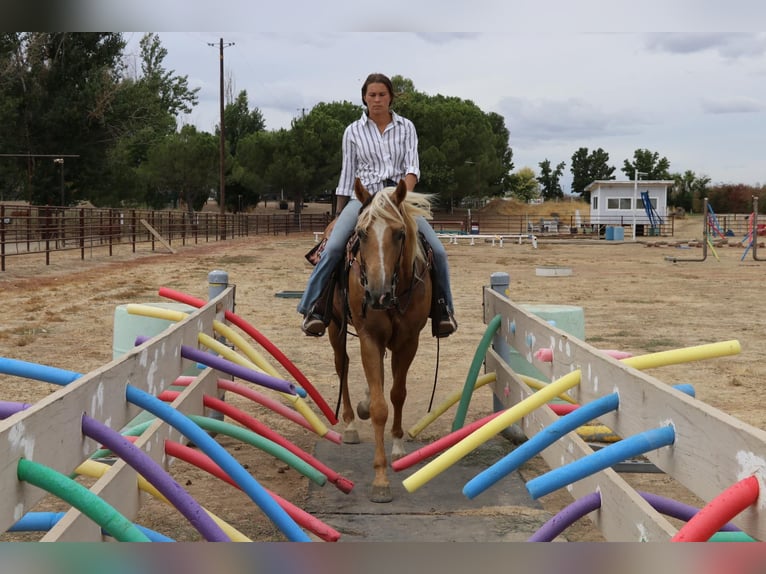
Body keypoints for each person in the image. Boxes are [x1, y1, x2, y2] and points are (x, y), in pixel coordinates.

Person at [297, 72, 458, 338]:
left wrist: (400, 195)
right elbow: (347, 175)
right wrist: (339, 214)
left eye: (382, 94)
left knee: (437, 252)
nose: (377, 99)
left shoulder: (407, 127)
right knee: (335, 246)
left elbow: (412, 168)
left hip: (396, 200)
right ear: (364, 97)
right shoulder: (352, 131)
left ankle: (443, 310)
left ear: (390, 97)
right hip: (363, 200)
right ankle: (315, 307)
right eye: (372, 95)